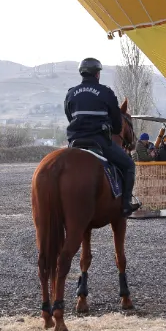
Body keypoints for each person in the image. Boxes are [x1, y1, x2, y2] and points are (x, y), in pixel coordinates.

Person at [64, 58, 140, 216]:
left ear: (82, 74)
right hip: (99, 141)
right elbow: (117, 124)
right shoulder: (106, 92)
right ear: (97, 74)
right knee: (128, 165)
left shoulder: (71, 93)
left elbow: (70, 117)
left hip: (75, 142)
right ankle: (126, 204)